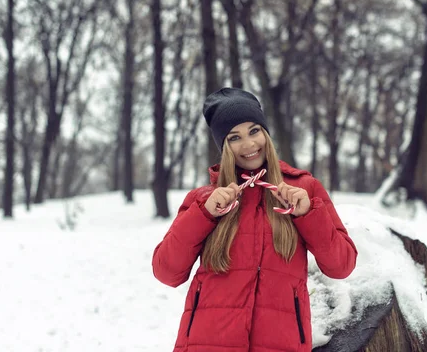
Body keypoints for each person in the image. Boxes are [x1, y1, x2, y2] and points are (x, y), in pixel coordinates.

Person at [152, 87, 358, 352]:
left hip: (281, 344)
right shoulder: (204, 199)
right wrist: (203, 214)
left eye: (254, 131)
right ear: (223, 146)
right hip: (207, 343)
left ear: (266, 133)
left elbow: (341, 266)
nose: (248, 145)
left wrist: (307, 214)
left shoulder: (304, 189)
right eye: (234, 137)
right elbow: (166, 272)